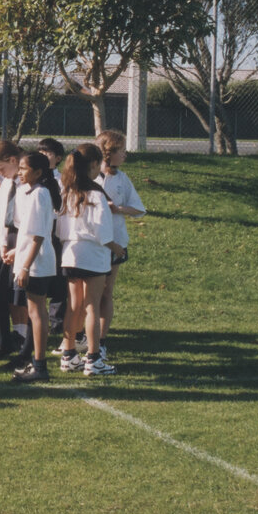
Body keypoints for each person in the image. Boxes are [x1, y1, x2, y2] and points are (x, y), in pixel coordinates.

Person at [55, 143, 125, 376]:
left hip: (69, 253)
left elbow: (58, 228)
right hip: (93, 254)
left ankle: (68, 354)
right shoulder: (95, 193)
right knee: (91, 306)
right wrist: (117, 247)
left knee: (74, 306)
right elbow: (102, 231)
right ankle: (93, 359)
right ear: (94, 165)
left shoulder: (66, 191)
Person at [10, 152, 62, 383]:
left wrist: (25, 267)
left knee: (37, 313)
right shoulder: (27, 192)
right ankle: (37, 362)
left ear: (38, 172)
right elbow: (27, 231)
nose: (19, 172)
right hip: (29, 259)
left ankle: (40, 366)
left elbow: (39, 236)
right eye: (19, 168)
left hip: (37, 262)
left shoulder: (40, 194)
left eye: (24, 168)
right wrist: (16, 253)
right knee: (35, 312)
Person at [95, 130, 146, 359]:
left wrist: (118, 208)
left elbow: (138, 209)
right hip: (91, 244)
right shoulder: (91, 176)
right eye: (121, 151)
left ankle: (101, 341)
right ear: (108, 153)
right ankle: (80, 337)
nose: (125, 155)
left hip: (115, 243)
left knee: (106, 292)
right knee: (85, 295)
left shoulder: (122, 179)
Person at [0, 141, 24, 361]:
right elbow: (2, 218)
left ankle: (27, 344)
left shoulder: (29, 184)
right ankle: (5, 341)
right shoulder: (7, 184)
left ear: (12, 160)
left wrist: (20, 248)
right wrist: (1, 244)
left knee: (24, 296)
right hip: (7, 240)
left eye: (0, 169)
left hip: (24, 240)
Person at [38, 137, 70, 339]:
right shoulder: (35, 177)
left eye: (47, 153)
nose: (43, 155)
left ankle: (57, 321)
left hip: (57, 231)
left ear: (58, 158)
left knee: (59, 278)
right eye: (40, 152)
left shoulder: (62, 180)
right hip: (40, 230)